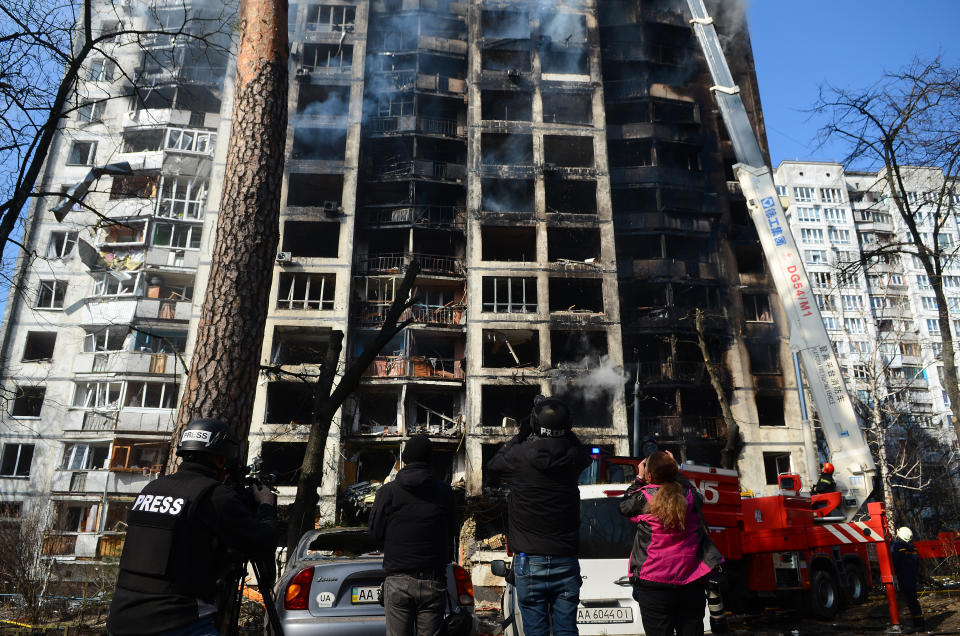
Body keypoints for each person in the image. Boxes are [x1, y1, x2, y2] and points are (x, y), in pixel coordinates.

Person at [107, 418, 278, 636]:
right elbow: (264, 542)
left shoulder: (151, 488)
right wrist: (265, 506)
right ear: (219, 458)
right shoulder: (214, 496)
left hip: (121, 619)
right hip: (175, 620)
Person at [487, 395, 592, 636]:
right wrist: (566, 431)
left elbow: (494, 464)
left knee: (535, 630)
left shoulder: (519, 457)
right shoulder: (574, 458)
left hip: (529, 560)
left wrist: (521, 433)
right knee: (567, 629)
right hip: (565, 558)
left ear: (535, 425)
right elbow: (583, 452)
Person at [619, 451, 724, 636]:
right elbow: (695, 494)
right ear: (674, 471)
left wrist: (639, 477)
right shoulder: (690, 497)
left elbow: (624, 506)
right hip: (691, 583)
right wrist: (675, 471)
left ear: (650, 475)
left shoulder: (643, 497)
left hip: (653, 585)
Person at [369, 434, 456, 636]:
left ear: (404, 459)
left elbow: (374, 533)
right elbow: (451, 531)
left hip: (398, 580)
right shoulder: (444, 492)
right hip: (432, 582)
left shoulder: (388, 492)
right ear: (429, 460)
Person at [892, 526, 925, 631]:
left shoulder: (898, 547)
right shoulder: (912, 548)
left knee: (909, 601)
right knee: (913, 601)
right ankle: (919, 622)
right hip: (912, 578)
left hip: (903, 578)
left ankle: (918, 625)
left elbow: (895, 563)